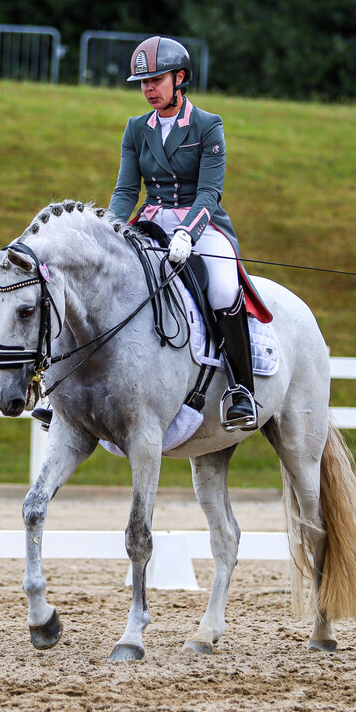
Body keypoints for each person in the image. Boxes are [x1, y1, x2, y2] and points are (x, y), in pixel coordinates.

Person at [107, 35, 262, 432]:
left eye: (156, 80)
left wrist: (188, 233)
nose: (148, 89)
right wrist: (108, 229)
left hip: (202, 223)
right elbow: (127, 190)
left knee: (225, 289)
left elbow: (210, 192)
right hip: (152, 220)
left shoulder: (209, 126)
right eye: (143, 83)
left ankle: (241, 390)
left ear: (180, 78)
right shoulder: (136, 129)